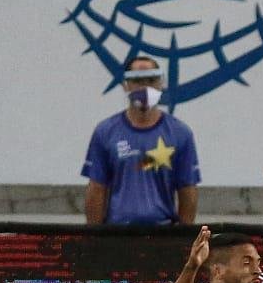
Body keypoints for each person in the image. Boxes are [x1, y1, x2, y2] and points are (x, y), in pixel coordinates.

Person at [82, 56, 200, 226]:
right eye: (137, 80)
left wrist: (183, 239)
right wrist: (94, 238)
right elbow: (97, 188)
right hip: (117, 234)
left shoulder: (180, 134)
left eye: (151, 80)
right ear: (125, 85)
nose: (145, 87)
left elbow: (187, 190)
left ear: (161, 84)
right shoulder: (105, 132)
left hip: (164, 232)